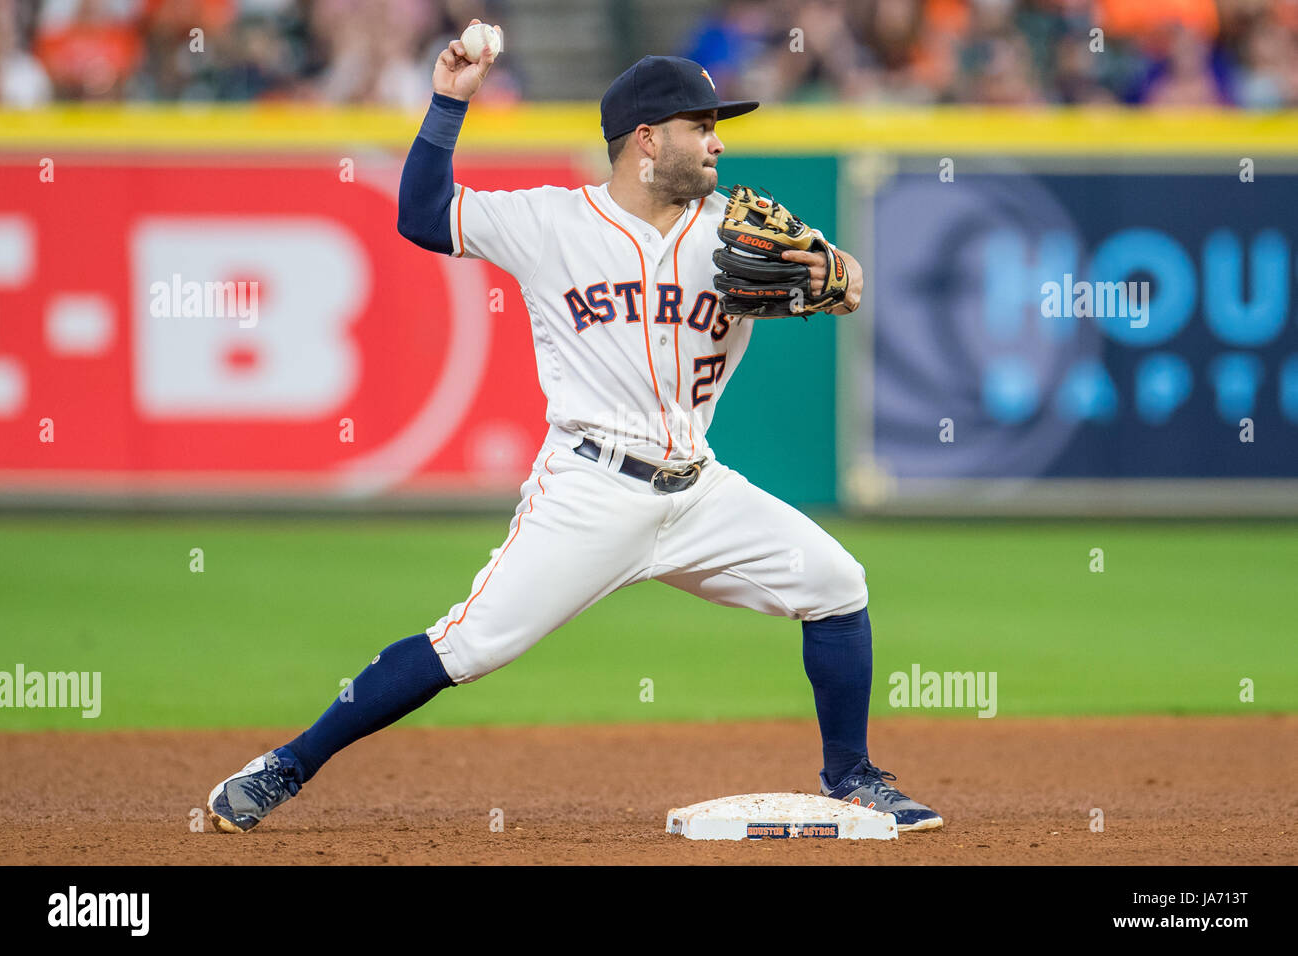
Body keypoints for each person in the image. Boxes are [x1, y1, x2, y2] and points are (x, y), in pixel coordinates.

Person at [206, 19, 943, 835]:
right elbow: (420, 214)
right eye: (702, 128)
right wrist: (450, 101)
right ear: (646, 140)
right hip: (590, 487)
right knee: (467, 647)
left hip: (699, 490)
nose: (716, 145)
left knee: (837, 585)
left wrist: (840, 276)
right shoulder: (551, 223)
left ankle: (850, 778)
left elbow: (847, 282)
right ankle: (284, 766)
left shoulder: (735, 229)